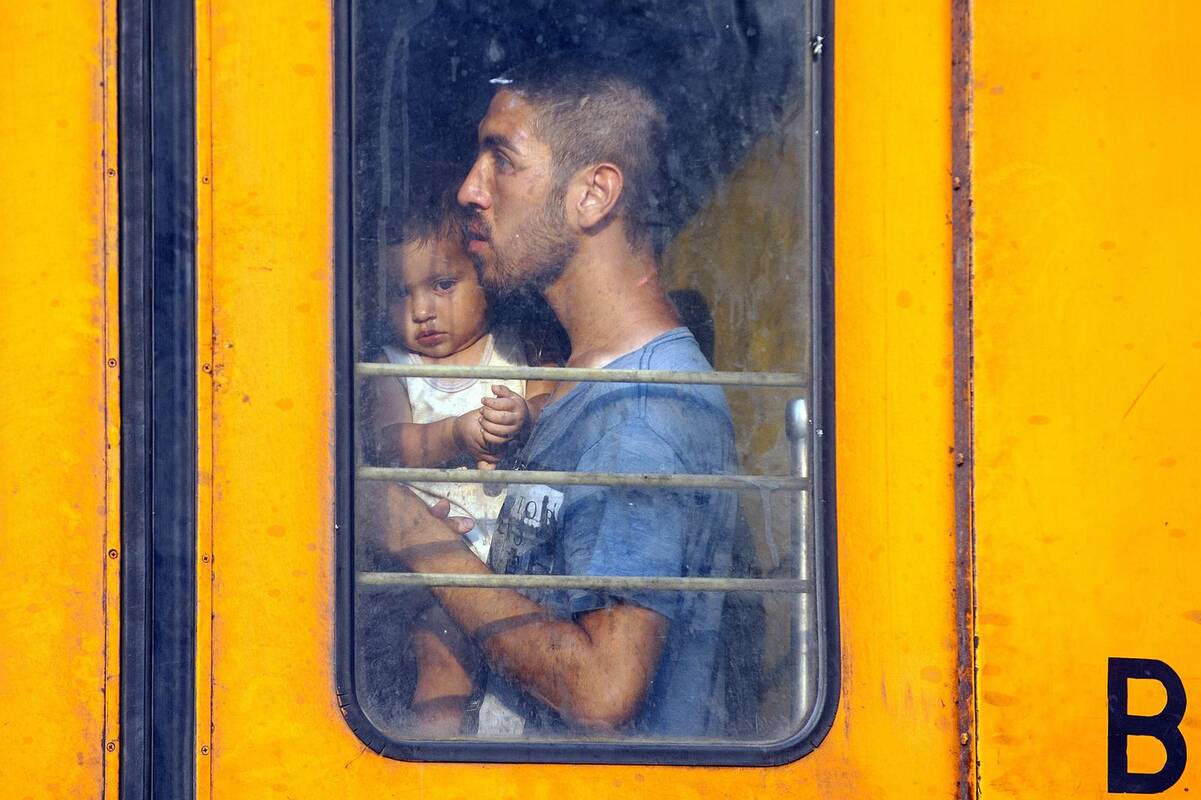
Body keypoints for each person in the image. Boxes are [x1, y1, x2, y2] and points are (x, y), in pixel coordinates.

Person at [363, 54, 736, 737]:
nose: (470, 189)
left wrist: (411, 531)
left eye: (502, 160)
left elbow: (601, 691)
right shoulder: (572, 384)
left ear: (593, 194)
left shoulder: (640, 413)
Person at [365, 195, 552, 733]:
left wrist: (525, 416)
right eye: (401, 292)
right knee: (441, 663)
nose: (421, 310)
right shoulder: (393, 367)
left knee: (525, 679)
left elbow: (552, 403)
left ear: (484, 281)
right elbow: (388, 443)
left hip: (517, 560)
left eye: (442, 285)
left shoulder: (514, 352)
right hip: (437, 564)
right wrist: (453, 434)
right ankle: (435, 757)